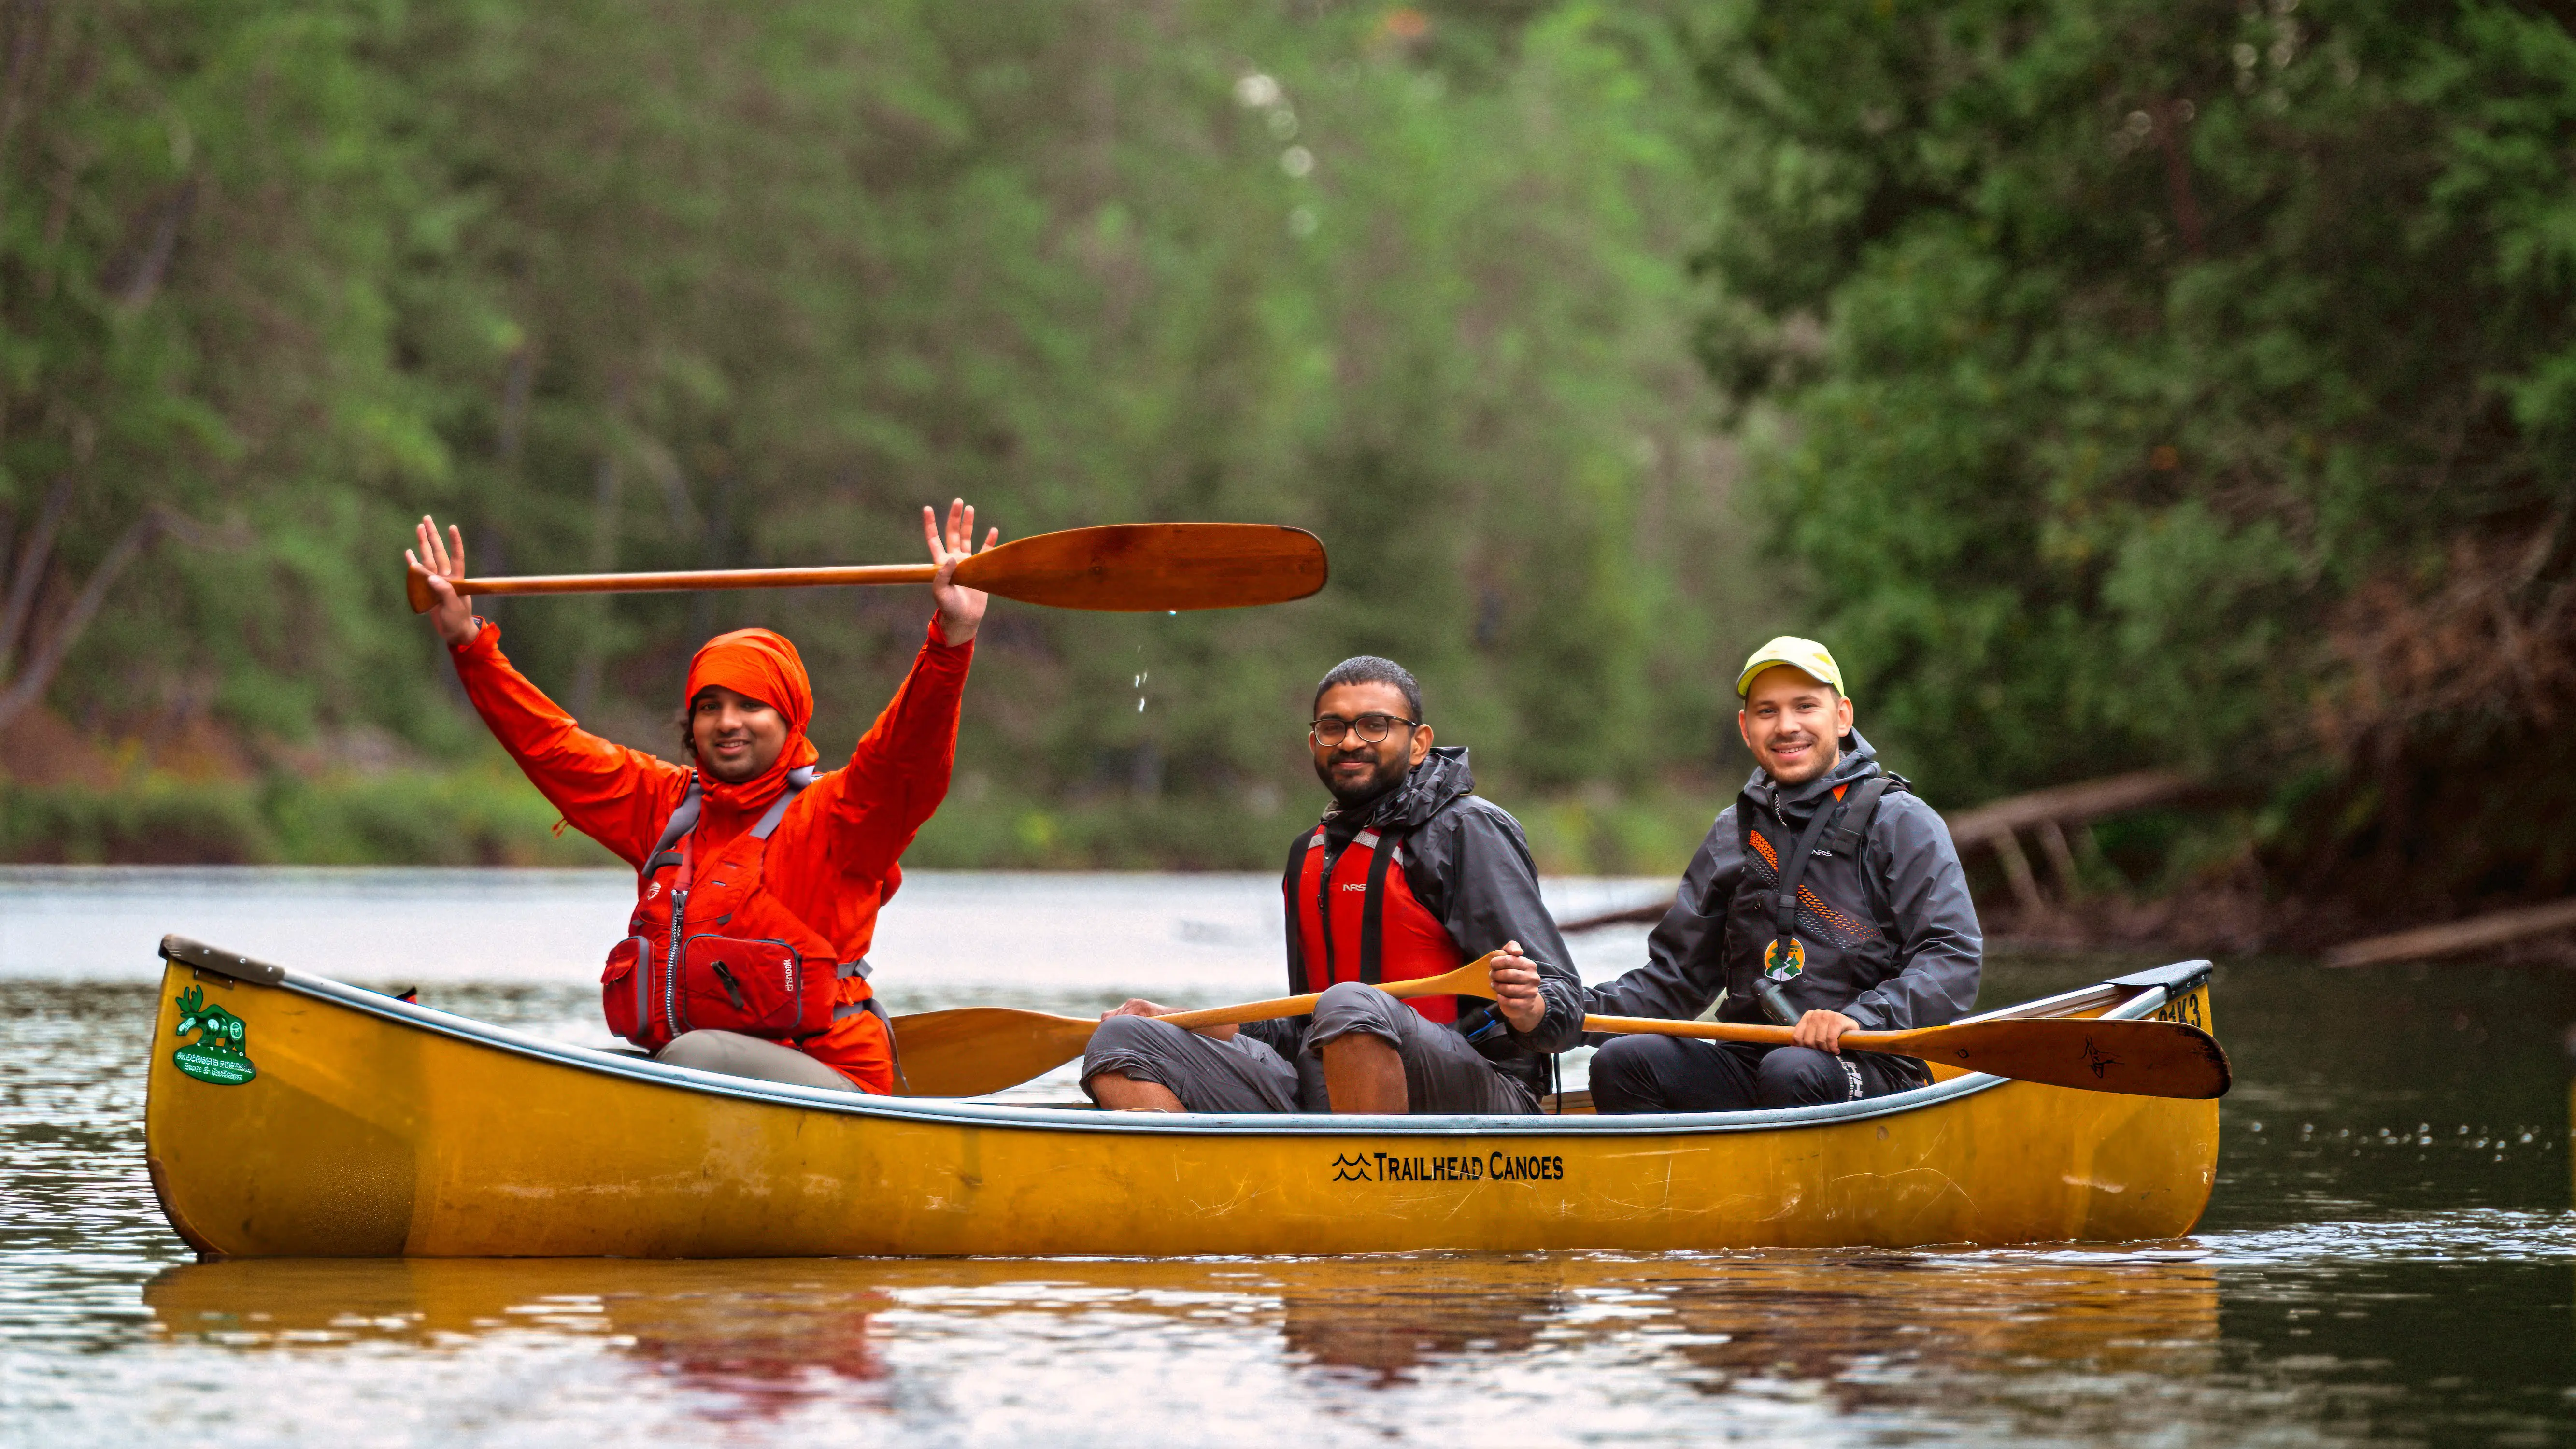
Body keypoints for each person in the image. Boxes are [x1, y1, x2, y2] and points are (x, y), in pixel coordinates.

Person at [405, 501, 996, 1093]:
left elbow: (906, 755)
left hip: (836, 1086)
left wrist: (952, 642)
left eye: (750, 705)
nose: (726, 722)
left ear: (789, 719)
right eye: (709, 706)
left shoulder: (840, 815)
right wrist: (467, 642)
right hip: (704, 1082)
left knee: (693, 1054)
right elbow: (552, 747)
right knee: (626, 1065)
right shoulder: (668, 808)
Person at [1080, 655, 1584, 1114]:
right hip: (1326, 1082)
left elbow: (1564, 1009)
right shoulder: (1311, 852)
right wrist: (1183, 1019)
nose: (1349, 742)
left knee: (1349, 1004)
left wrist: (1530, 1007)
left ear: (1418, 744)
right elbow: (1302, 1028)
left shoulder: (1466, 830)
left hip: (1480, 1095)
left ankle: (1366, 1178)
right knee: (1124, 1038)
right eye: (1332, 727)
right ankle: (1194, 1182)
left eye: (1374, 726)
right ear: (1314, 743)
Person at [1580, 637, 1981, 1112]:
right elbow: (1675, 980)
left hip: (1870, 1061)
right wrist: (1560, 1012)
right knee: (1621, 1062)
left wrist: (1861, 1019)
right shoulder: (1733, 832)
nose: (1786, 726)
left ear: (1842, 717)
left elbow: (1951, 956)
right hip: (1750, 1060)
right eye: (1766, 711)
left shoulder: (1901, 822)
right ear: (1745, 728)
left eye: (1804, 706)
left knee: (1792, 1071)